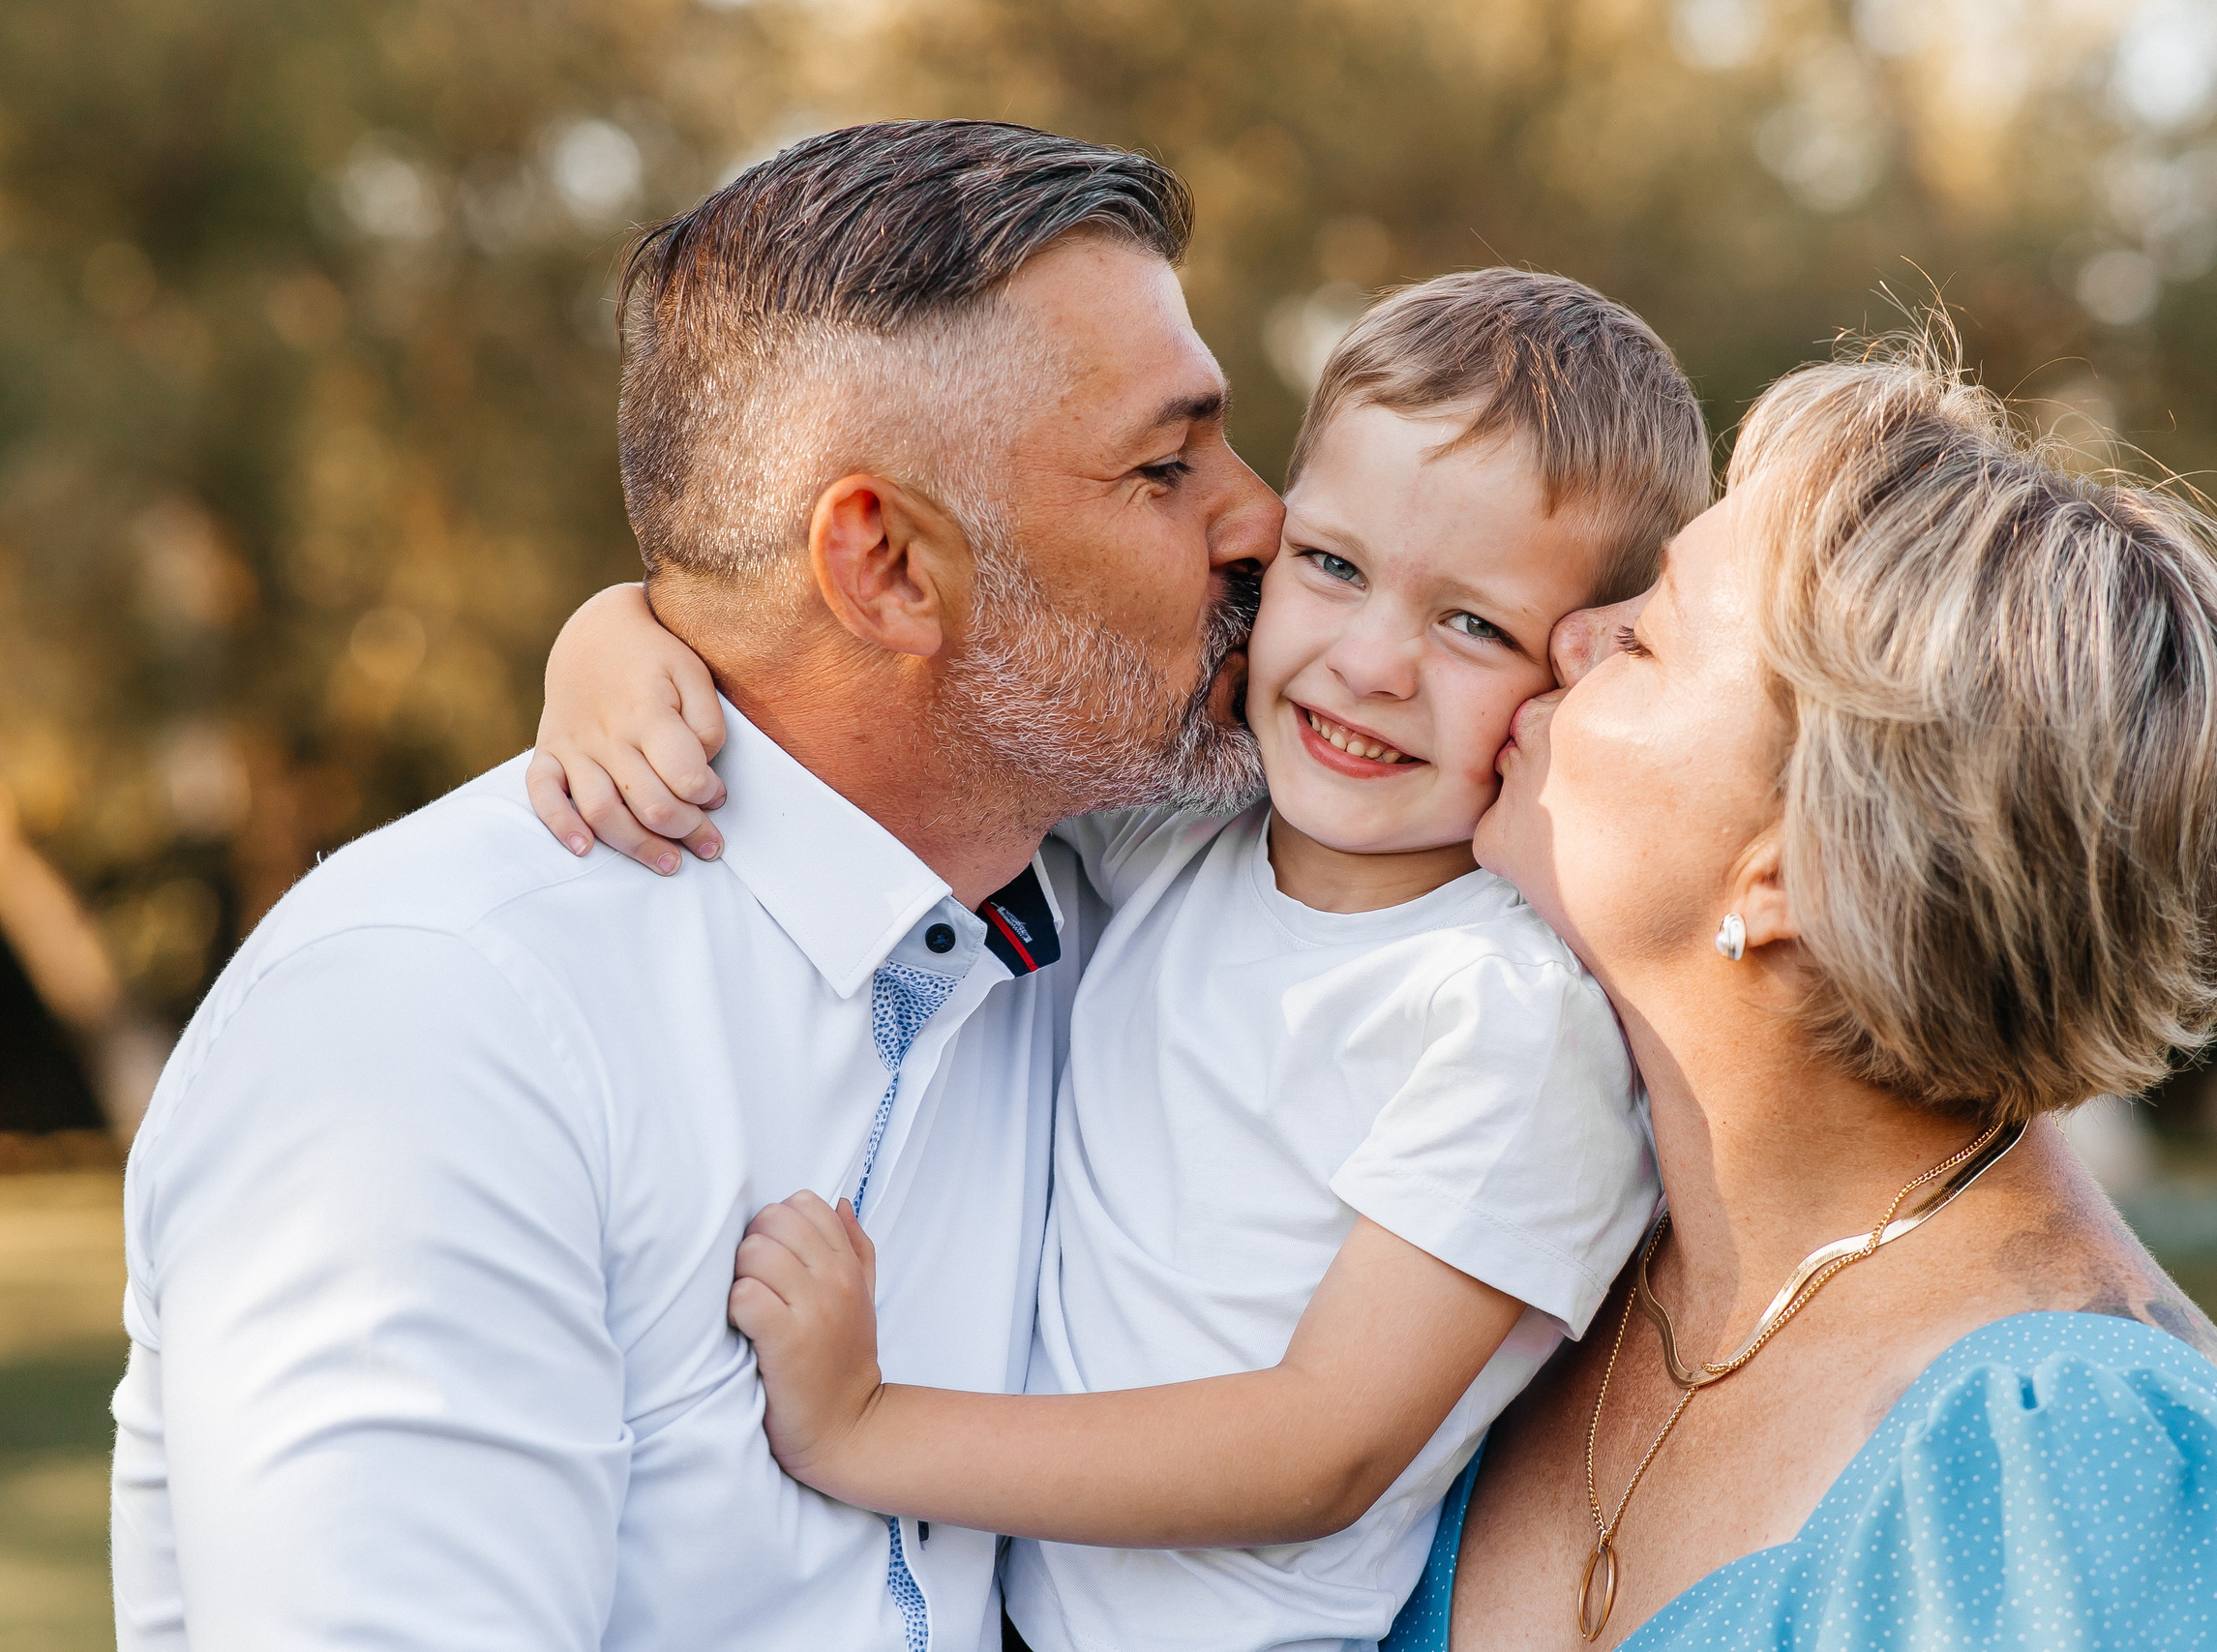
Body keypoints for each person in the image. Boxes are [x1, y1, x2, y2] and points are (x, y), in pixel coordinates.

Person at [109, 120, 1280, 1652]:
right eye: (1165, 466)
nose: (1264, 516)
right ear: (887, 569)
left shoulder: (1130, 913)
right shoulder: (434, 1028)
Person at [528, 270, 1711, 1652]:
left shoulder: (1512, 1022)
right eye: (1331, 567)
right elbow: (891, 709)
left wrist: (865, 1428)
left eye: (1473, 627)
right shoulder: (1185, 832)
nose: (1373, 664)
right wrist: (616, 632)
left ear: (1577, 669)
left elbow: (1318, 1450)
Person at [1383, 323, 2217, 1648]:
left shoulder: (2069, 1464)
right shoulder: (1518, 1265)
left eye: (1648, 638)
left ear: (1795, 865)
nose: (1569, 636)